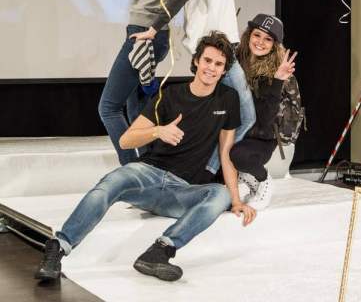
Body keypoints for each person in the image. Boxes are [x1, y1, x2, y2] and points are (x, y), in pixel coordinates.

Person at [35, 32, 256, 283]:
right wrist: (158, 131)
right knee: (111, 183)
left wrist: (236, 200)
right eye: (207, 60)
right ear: (196, 61)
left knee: (220, 194)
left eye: (218, 64)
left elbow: (225, 154)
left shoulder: (228, 99)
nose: (211, 68)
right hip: (148, 176)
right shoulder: (170, 95)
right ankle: (58, 247)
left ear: (224, 70)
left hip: (182, 191)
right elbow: (126, 140)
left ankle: (160, 251)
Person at [98, 0, 186, 165]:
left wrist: (154, 28)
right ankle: (148, 168)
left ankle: (132, 169)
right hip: (142, 31)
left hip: (147, 32)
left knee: (108, 108)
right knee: (135, 109)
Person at [171, 0, 256, 177]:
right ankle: (208, 171)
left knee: (220, 119)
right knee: (247, 116)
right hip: (216, 50)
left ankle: (206, 172)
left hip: (224, 48)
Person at [229, 14, 297, 210]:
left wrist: (277, 81)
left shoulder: (278, 71)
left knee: (238, 155)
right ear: (249, 35)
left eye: (268, 39)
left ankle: (263, 181)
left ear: (274, 45)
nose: (260, 42)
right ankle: (248, 181)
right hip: (238, 129)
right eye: (257, 35)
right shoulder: (235, 62)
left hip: (262, 136)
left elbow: (267, 119)